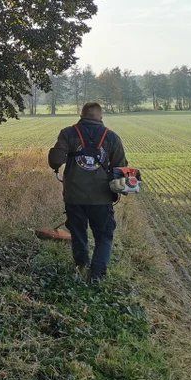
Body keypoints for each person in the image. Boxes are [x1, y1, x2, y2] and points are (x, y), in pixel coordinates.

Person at [48, 102, 128, 282]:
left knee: (78, 233)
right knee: (104, 236)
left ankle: (81, 266)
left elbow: (55, 161)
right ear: (101, 117)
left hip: (74, 196)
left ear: (81, 115)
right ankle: (96, 276)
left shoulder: (68, 133)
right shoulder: (112, 137)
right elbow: (121, 168)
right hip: (102, 198)